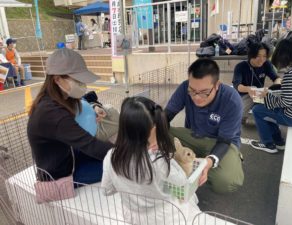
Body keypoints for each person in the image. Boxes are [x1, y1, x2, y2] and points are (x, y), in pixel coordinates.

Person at [101, 96, 201, 224]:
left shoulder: (111, 156)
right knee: (189, 197)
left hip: (133, 218)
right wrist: (168, 157)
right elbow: (181, 181)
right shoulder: (158, 160)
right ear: (153, 130)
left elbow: (106, 190)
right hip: (165, 218)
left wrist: (126, 185)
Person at [27, 48, 113, 184]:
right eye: (78, 80)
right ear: (57, 79)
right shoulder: (52, 113)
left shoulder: (57, 98)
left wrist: (95, 106)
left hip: (69, 156)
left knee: (112, 153)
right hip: (61, 175)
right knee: (118, 169)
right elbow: (90, 144)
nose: (82, 85)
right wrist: (128, 156)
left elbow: (86, 97)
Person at [165, 58, 244, 193]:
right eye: (192, 90)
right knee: (157, 130)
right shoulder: (184, 87)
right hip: (194, 136)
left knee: (226, 182)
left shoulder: (232, 100)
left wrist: (210, 161)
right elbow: (165, 116)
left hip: (223, 143)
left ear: (217, 85)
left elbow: (224, 141)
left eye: (204, 92)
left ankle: (193, 165)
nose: (196, 97)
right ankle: (187, 165)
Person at [249, 35, 292, 153]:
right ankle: (278, 141)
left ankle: (267, 144)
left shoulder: (291, 75)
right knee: (266, 111)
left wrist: (268, 95)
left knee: (258, 110)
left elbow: (285, 102)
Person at [232, 42, 281, 124]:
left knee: (275, 97)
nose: (262, 59)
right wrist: (248, 89)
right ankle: (240, 120)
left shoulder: (266, 64)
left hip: (259, 93)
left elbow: (277, 78)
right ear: (251, 55)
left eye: (264, 56)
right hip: (244, 94)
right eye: (258, 56)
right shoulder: (241, 66)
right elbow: (237, 86)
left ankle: (270, 122)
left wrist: (272, 89)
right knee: (240, 113)